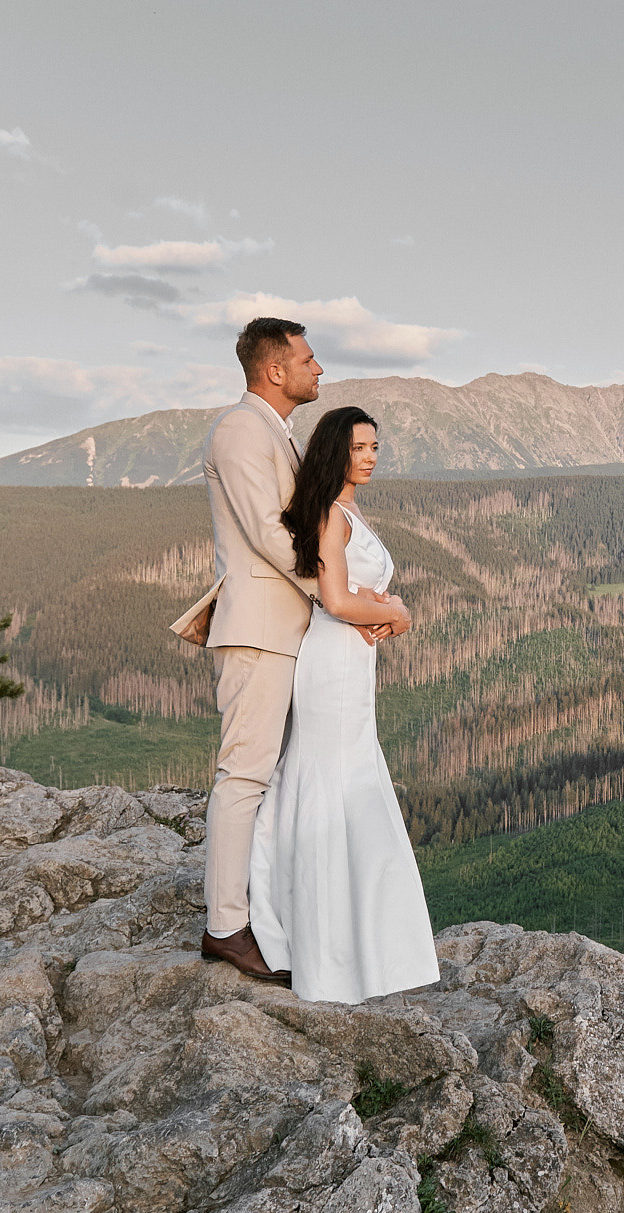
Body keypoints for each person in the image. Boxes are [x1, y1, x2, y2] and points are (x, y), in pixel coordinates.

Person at [179, 318, 407, 983]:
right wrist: (346, 598)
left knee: (276, 777)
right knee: (246, 774)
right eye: (308, 359)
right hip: (258, 629)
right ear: (275, 370)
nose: (319, 369)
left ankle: (273, 911)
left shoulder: (273, 432)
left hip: (288, 633)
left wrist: (346, 600)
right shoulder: (241, 430)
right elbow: (273, 537)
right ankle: (225, 926)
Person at [246, 405, 440, 1003]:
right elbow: (333, 598)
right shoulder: (332, 513)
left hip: (352, 663)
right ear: (337, 451)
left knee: (344, 777)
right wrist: (395, 613)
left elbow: (352, 590)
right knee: (328, 780)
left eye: (376, 446)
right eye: (360, 447)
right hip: (331, 661)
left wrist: (380, 605)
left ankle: (355, 938)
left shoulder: (349, 509)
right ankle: (321, 948)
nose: (372, 456)